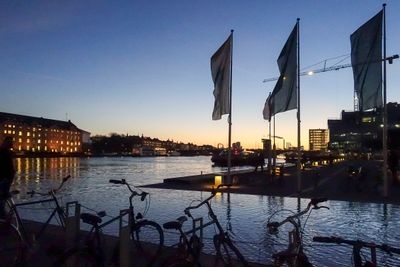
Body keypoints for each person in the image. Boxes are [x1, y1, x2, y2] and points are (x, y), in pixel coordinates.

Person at [0, 136, 15, 218]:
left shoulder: (5, 152)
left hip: (6, 178)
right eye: (10, 142)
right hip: (5, 178)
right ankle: (3, 216)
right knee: (2, 197)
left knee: (3, 197)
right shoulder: (5, 152)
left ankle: (3, 216)